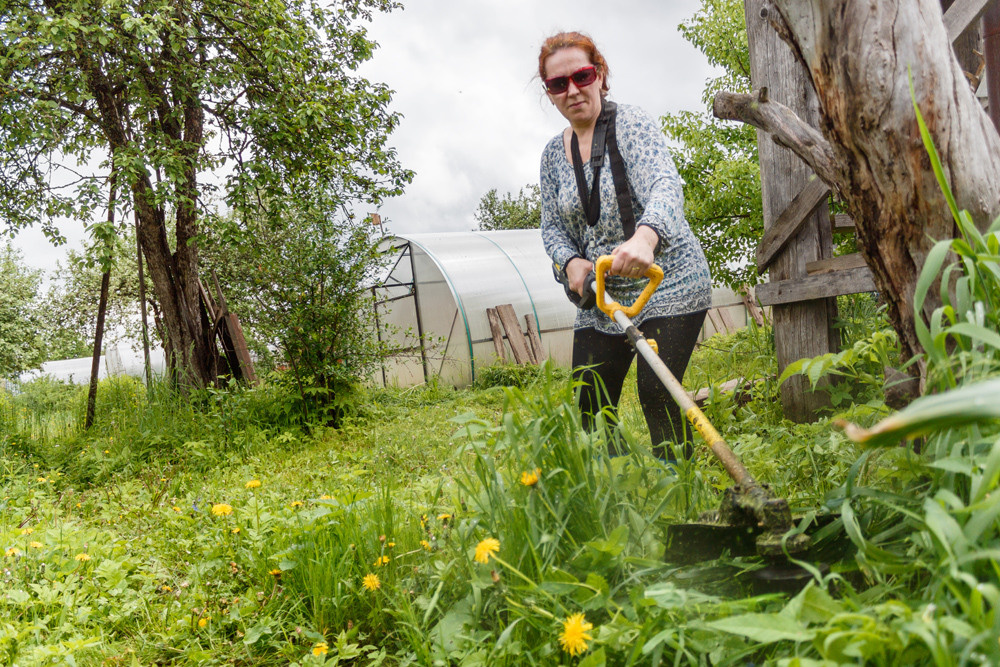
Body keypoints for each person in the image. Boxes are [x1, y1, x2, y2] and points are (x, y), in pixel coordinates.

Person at [538, 31, 712, 462]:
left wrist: (646, 237)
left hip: (668, 282)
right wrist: (570, 262)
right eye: (559, 84)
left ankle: (681, 499)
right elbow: (552, 228)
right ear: (550, 93)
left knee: (657, 393)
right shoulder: (551, 156)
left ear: (600, 75)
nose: (573, 90)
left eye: (582, 75)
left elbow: (665, 184)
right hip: (603, 294)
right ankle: (623, 496)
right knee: (590, 406)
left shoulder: (631, 123)